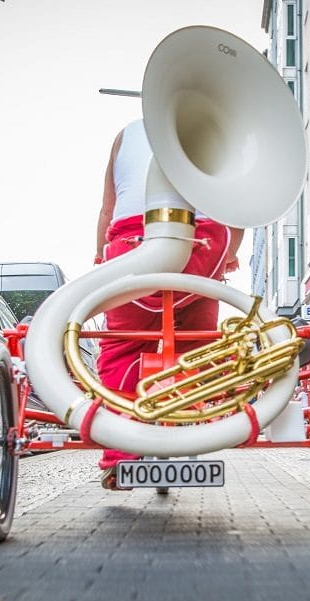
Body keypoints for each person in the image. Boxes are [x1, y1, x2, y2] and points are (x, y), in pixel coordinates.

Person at [93, 119, 243, 488]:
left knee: (121, 347)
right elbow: (240, 210)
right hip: (204, 243)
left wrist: (101, 259)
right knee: (200, 340)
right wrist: (230, 255)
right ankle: (198, 421)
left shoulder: (124, 135)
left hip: (131, 245)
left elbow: (107, 210)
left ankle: (119, 454)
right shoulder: (218, 123)